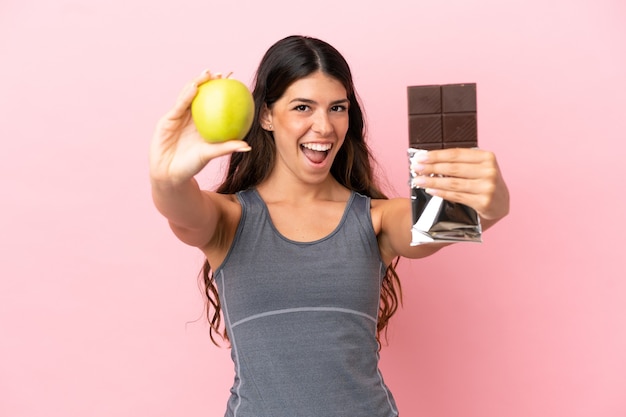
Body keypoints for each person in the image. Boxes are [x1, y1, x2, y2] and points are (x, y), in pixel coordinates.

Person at [149, 35, 509, 417]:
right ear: (266, 115)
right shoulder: (229, 219)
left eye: (337, 107)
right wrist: (166, 178)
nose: (324, 126)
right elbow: (181, 209)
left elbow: (437, 225)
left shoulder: (376, 219)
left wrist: (488, 208)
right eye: (303, 107)